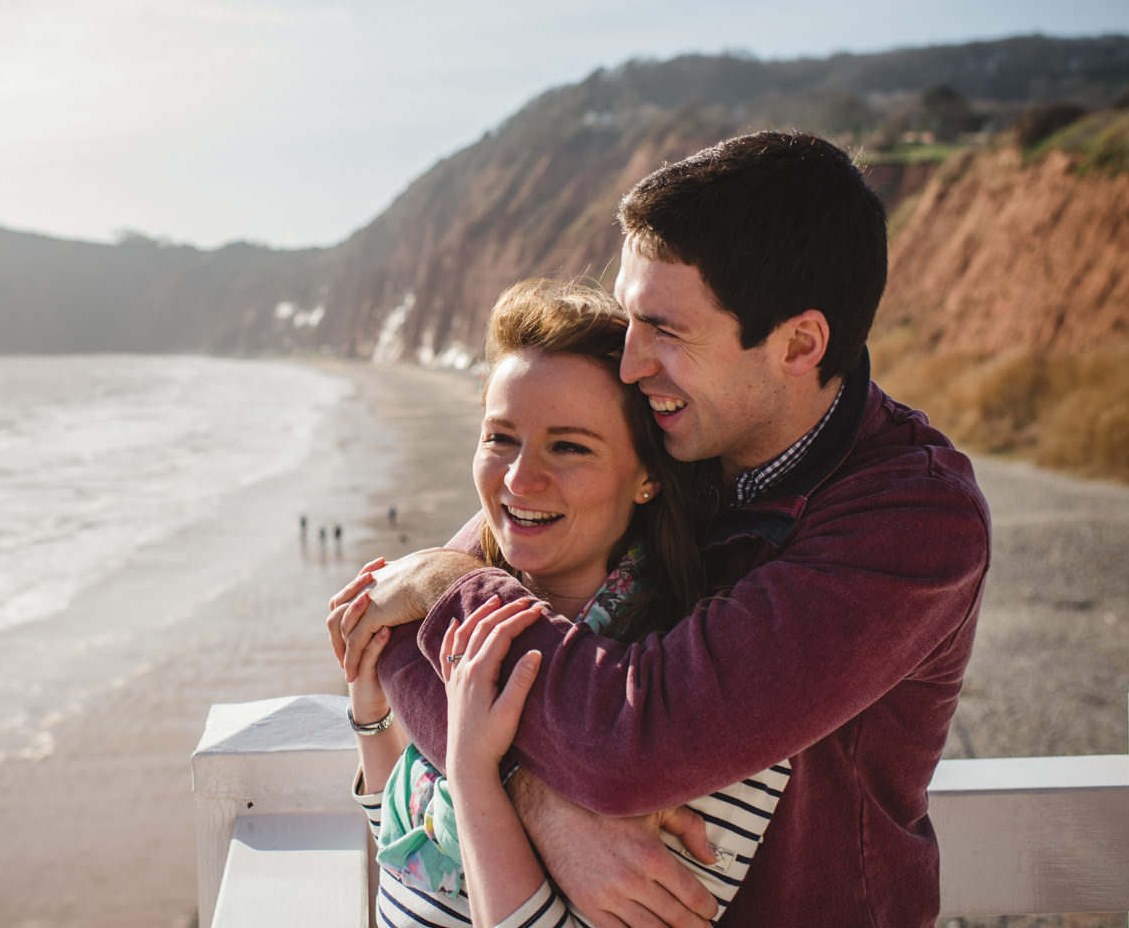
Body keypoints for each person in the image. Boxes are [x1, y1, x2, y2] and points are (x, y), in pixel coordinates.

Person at [332, 132, 991, 927]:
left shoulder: (912, 522)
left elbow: (631, 740)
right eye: (629, 318)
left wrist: (441, 585)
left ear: (799, 344)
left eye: (665, 330)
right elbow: (409, 633)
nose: (631, 363)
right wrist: (537, 803)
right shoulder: (675, 422)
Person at [329, 280, 789, 928]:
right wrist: (372, 709)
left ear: (649, 474)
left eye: (569, 445)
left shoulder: (690, 692)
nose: (519, 478)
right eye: (500, 437)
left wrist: (478, 773)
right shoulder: (467, 629)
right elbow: (408, 851)